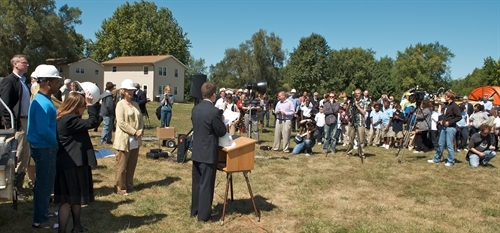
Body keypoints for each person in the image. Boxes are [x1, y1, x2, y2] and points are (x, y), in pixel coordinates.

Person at [55, 92, 99, 233]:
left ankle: (77, 226)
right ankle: (62, 230)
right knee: (67, 200)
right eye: (83, 106)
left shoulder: (65, 118)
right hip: (71, 164)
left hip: (70, 163)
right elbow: (92, 122)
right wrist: (91, 104)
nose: (85, 108)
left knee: (74, 198)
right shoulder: (69, 120)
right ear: (75, 106)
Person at [27, 65, 62, 229]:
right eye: (56, 82)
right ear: (47, 83)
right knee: (45, 184)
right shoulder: (41, 102)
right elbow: (43, 130)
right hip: (44, 148)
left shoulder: (44, 100)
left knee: (46, 182)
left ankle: (43, 211)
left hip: (44, 147)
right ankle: (40, 219)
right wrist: (56, 143)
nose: (58, 85)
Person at [190, 82, 226, 222]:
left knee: (197, 183)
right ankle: (204, 216)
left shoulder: (195, 109)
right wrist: (222, 120)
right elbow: (221, 131)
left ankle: (195, 210)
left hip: (197, 150)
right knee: (206, 184)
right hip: (208, 153)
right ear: (214, 95)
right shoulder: (214, 112)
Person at [0, 54, 31, 191]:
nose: (27, 65)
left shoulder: (22, 81)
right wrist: (11, 125)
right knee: (17, 154)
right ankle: (12, 187)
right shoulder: (9, 81)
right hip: (18, 123)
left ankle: (18, 186)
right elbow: (4, 106)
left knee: (24, 154)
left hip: (26, 121)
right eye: (24, 62)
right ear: (15, 64)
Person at [113, 79, 144, 196]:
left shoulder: (135, 104)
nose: (130, 92)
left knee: (132, 164)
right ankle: (120, 188)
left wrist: (140, 131)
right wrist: (134, 131)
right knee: (121, 165)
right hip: (124, 139)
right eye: (128, 90)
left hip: (135, 139)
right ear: (123, 91)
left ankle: (129, 185)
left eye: (132, 90)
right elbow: (120, 122)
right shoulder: (120, 105)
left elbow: (140, 119)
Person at [428, 90, 462, 166]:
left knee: (449, 145)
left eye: (446, 96)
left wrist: (450, 122)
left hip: (451, 128)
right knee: (440, 143)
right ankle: (436, 158)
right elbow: (443, 106)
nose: (444, 97)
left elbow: (459, 117)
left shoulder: (454, 106)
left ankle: (450, 160)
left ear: (449, 97)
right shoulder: (447, 105)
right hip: (444, 127)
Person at [345, 88, 369, 158]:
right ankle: (349, 152)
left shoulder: (364, 101)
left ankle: (361, 153)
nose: (357, 95)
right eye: (356, 94)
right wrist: (349, 103)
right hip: (352, 121)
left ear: (361, 94)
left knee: (361, 140)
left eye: (358, 93)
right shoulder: (353, 101)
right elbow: (347, 111)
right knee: (350, 139)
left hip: (360, 122)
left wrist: (357, 105)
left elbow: (364, 112)